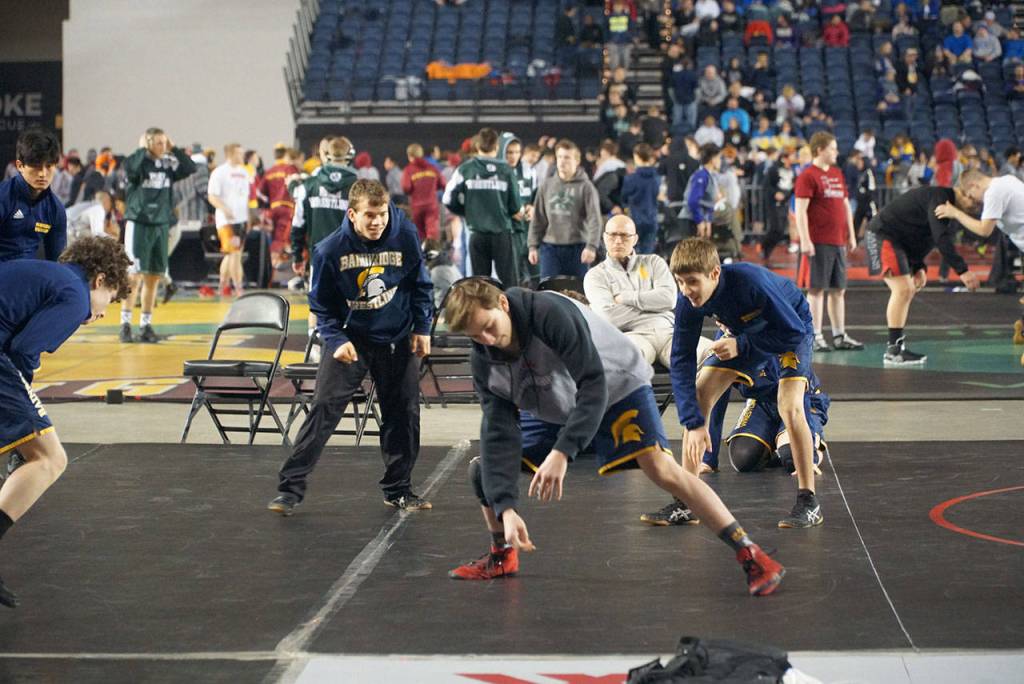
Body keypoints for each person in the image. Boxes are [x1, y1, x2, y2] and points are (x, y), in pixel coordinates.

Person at [443, 278, 784, 596]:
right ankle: (502, 554)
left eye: (489, 327)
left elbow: (594, 385)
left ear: (503, 304)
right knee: (484, 469)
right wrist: (506, 509)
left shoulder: (548, 313)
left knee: (662, 470)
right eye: (476, 336)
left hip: (617, 386)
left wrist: (562, 452)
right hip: (556, 401)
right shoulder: (485, 360)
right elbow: (498, 433)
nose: (488, 340)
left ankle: (751, 553)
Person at [269, 180, 435, 516]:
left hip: (397, 337)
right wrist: (336, 339)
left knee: (404, 413)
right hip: (351, 339)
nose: (378, 222)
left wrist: (422, 327)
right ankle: (289, 490)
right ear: (352, 214)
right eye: (370, 215)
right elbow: (321, 306)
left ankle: (399, 490)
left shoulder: (405, 235)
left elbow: (421, 285)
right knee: (324, 408)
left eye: (382, 214)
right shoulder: (329, 250)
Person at [0, 235, 132, 607]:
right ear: (100, 279)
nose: (103, 313)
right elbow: (23, 350)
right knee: (48, 458)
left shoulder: (48, 275)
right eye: (110, 298)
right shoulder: (74, 294)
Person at [670, 237, 823, 528]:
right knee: (701, 392)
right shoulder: (687, 300)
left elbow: (792, 331)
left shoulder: (750, 282)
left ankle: (808, 501)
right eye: (679, 282)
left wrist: (741, 345)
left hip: (789, 327)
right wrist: (693, 422)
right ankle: (687, 501)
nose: (686, 290)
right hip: (743, 331)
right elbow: (681, 359)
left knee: (789, 405)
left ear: (714, 273)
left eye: (692, 282)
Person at [643, 356, 831, 525]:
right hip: (762, 404)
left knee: (791, 458)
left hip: (801, 402)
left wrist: (810, 458)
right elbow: (715, 398)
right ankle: (686, 502)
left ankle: (804, 457)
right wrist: (709, 459)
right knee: (744, 459)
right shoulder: (725, 344)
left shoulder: (783, 336)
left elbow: (797, 407)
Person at [864, 186, 981, 366]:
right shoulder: (940, 198)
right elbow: (940, 237)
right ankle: (894, 350)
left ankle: (896, 348)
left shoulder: (944, 204)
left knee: (908, 290)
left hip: (895, 238)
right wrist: (962, 271)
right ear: (964, 191)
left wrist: (918, 265)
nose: (973, 205)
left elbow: (920, 233)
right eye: (972, 200)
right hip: (882, 234)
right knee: (903, 290)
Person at [935, 169, 1024, 361]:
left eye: (970, 195)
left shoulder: (993, 192)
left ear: (974, 185)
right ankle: (1022, 329)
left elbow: (984, 230)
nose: (973, 201)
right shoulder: (1007, 180)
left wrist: (956, 213)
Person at [118, 128, 196, 344]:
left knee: (153, 276)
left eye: (164, 142)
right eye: (159, 142)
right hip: (139, 223)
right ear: (148, 143)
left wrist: (174, 148)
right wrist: (142, 149)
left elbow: (190, 167)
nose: (163, 146)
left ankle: (146, 325)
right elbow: (130, 168)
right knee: (134, 276)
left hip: (161, 224)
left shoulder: (167, 165)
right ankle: (125, 324)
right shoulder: (137, 162)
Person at [794, 132, 863, 353]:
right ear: (819, 150)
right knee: (816, 290)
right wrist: (805, 239)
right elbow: (800, 211)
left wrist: (851, 234)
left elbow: (845, 205)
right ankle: (814, 335)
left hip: (838, 241)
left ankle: (839, 334)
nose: (836, 152)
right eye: (832, 148)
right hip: (818, 241)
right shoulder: (807, 176)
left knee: (838, 289)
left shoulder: (836, 173)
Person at [291, 136, 359, 356]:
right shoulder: (359, 186)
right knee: (353, 302)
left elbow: (298, 224)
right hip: (352, 255)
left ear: (327, 155)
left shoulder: (308, 184)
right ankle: (352, 347)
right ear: (350, 155)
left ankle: (315, 349)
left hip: (319, 254)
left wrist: (296, 255)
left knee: (318, 301)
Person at [443, 127, 523, 286]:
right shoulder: (506, 170)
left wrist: (466, 212)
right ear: (497, 147)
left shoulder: (465, 169)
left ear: (477, 146)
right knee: (509, 284)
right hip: (501, 233)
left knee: (480, 285)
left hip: (477, 234)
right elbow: (515, 206)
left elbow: (447, 199)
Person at [527, 139, 602, 279]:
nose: (562, 161)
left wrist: (592, 246)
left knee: (578, 290)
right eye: (559, 157)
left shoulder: (586, 187)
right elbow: (538, 219)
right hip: (550, 248)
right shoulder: (546, 186)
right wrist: (532, 246)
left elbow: (594, 219)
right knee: (547, 288)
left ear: (577, 161)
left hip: (578, 248)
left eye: (567, 157)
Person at [0, 127, 66, 263]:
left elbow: (58, 261)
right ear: (20, 166)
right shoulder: (3, 198)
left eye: (49, 166)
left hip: (31, 273)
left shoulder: (55, 209)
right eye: (36, 166)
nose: (43, 174)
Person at [207, 143, 251, 297]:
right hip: (226, 220)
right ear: (231, 154)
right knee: (235, 253)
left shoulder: (244, 172)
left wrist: (248, 217)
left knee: (231, 254)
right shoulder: (219, 172)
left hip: (241, 218)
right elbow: (212, 196)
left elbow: (245, 197)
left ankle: (222, 285)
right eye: (239, 153)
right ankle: (238, 287)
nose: (242, 156)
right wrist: (225, 209)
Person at [499, 132, 538, 286]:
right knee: (513, 277)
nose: (513, 156)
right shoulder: (496, 172)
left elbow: (536, 196)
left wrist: (532, 207)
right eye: (509, 152)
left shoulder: (529, 171)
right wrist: (510, 213)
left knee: (536, 275)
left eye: (517, 152)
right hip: (507, 231)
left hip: (528, 229)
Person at [259, 143, 300, 268]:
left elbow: (260, 193)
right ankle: (274, 265)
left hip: (273, 209)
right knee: (282, 239)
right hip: (287, 208)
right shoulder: (290, 169)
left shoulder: (269, 171)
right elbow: (298, 188)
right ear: (286, 153)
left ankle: (272, 265)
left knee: (275, 238)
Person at [620, 143, 662, 254]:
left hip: (634, 220)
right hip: (652, 219)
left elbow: (623, 198)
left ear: (637, 157)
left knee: (631, 254)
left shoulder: (631, 179)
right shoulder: (657, 178)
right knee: (646, 255)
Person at [400, 143, 445, 242]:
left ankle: (421, 249)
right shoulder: (432, 168)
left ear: (409, 155)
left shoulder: (408, 170)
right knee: (432, 230)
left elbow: (406, 187)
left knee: (419, 232)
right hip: (432, 204)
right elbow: (442, 183)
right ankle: (432, 249)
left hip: (417, 206)